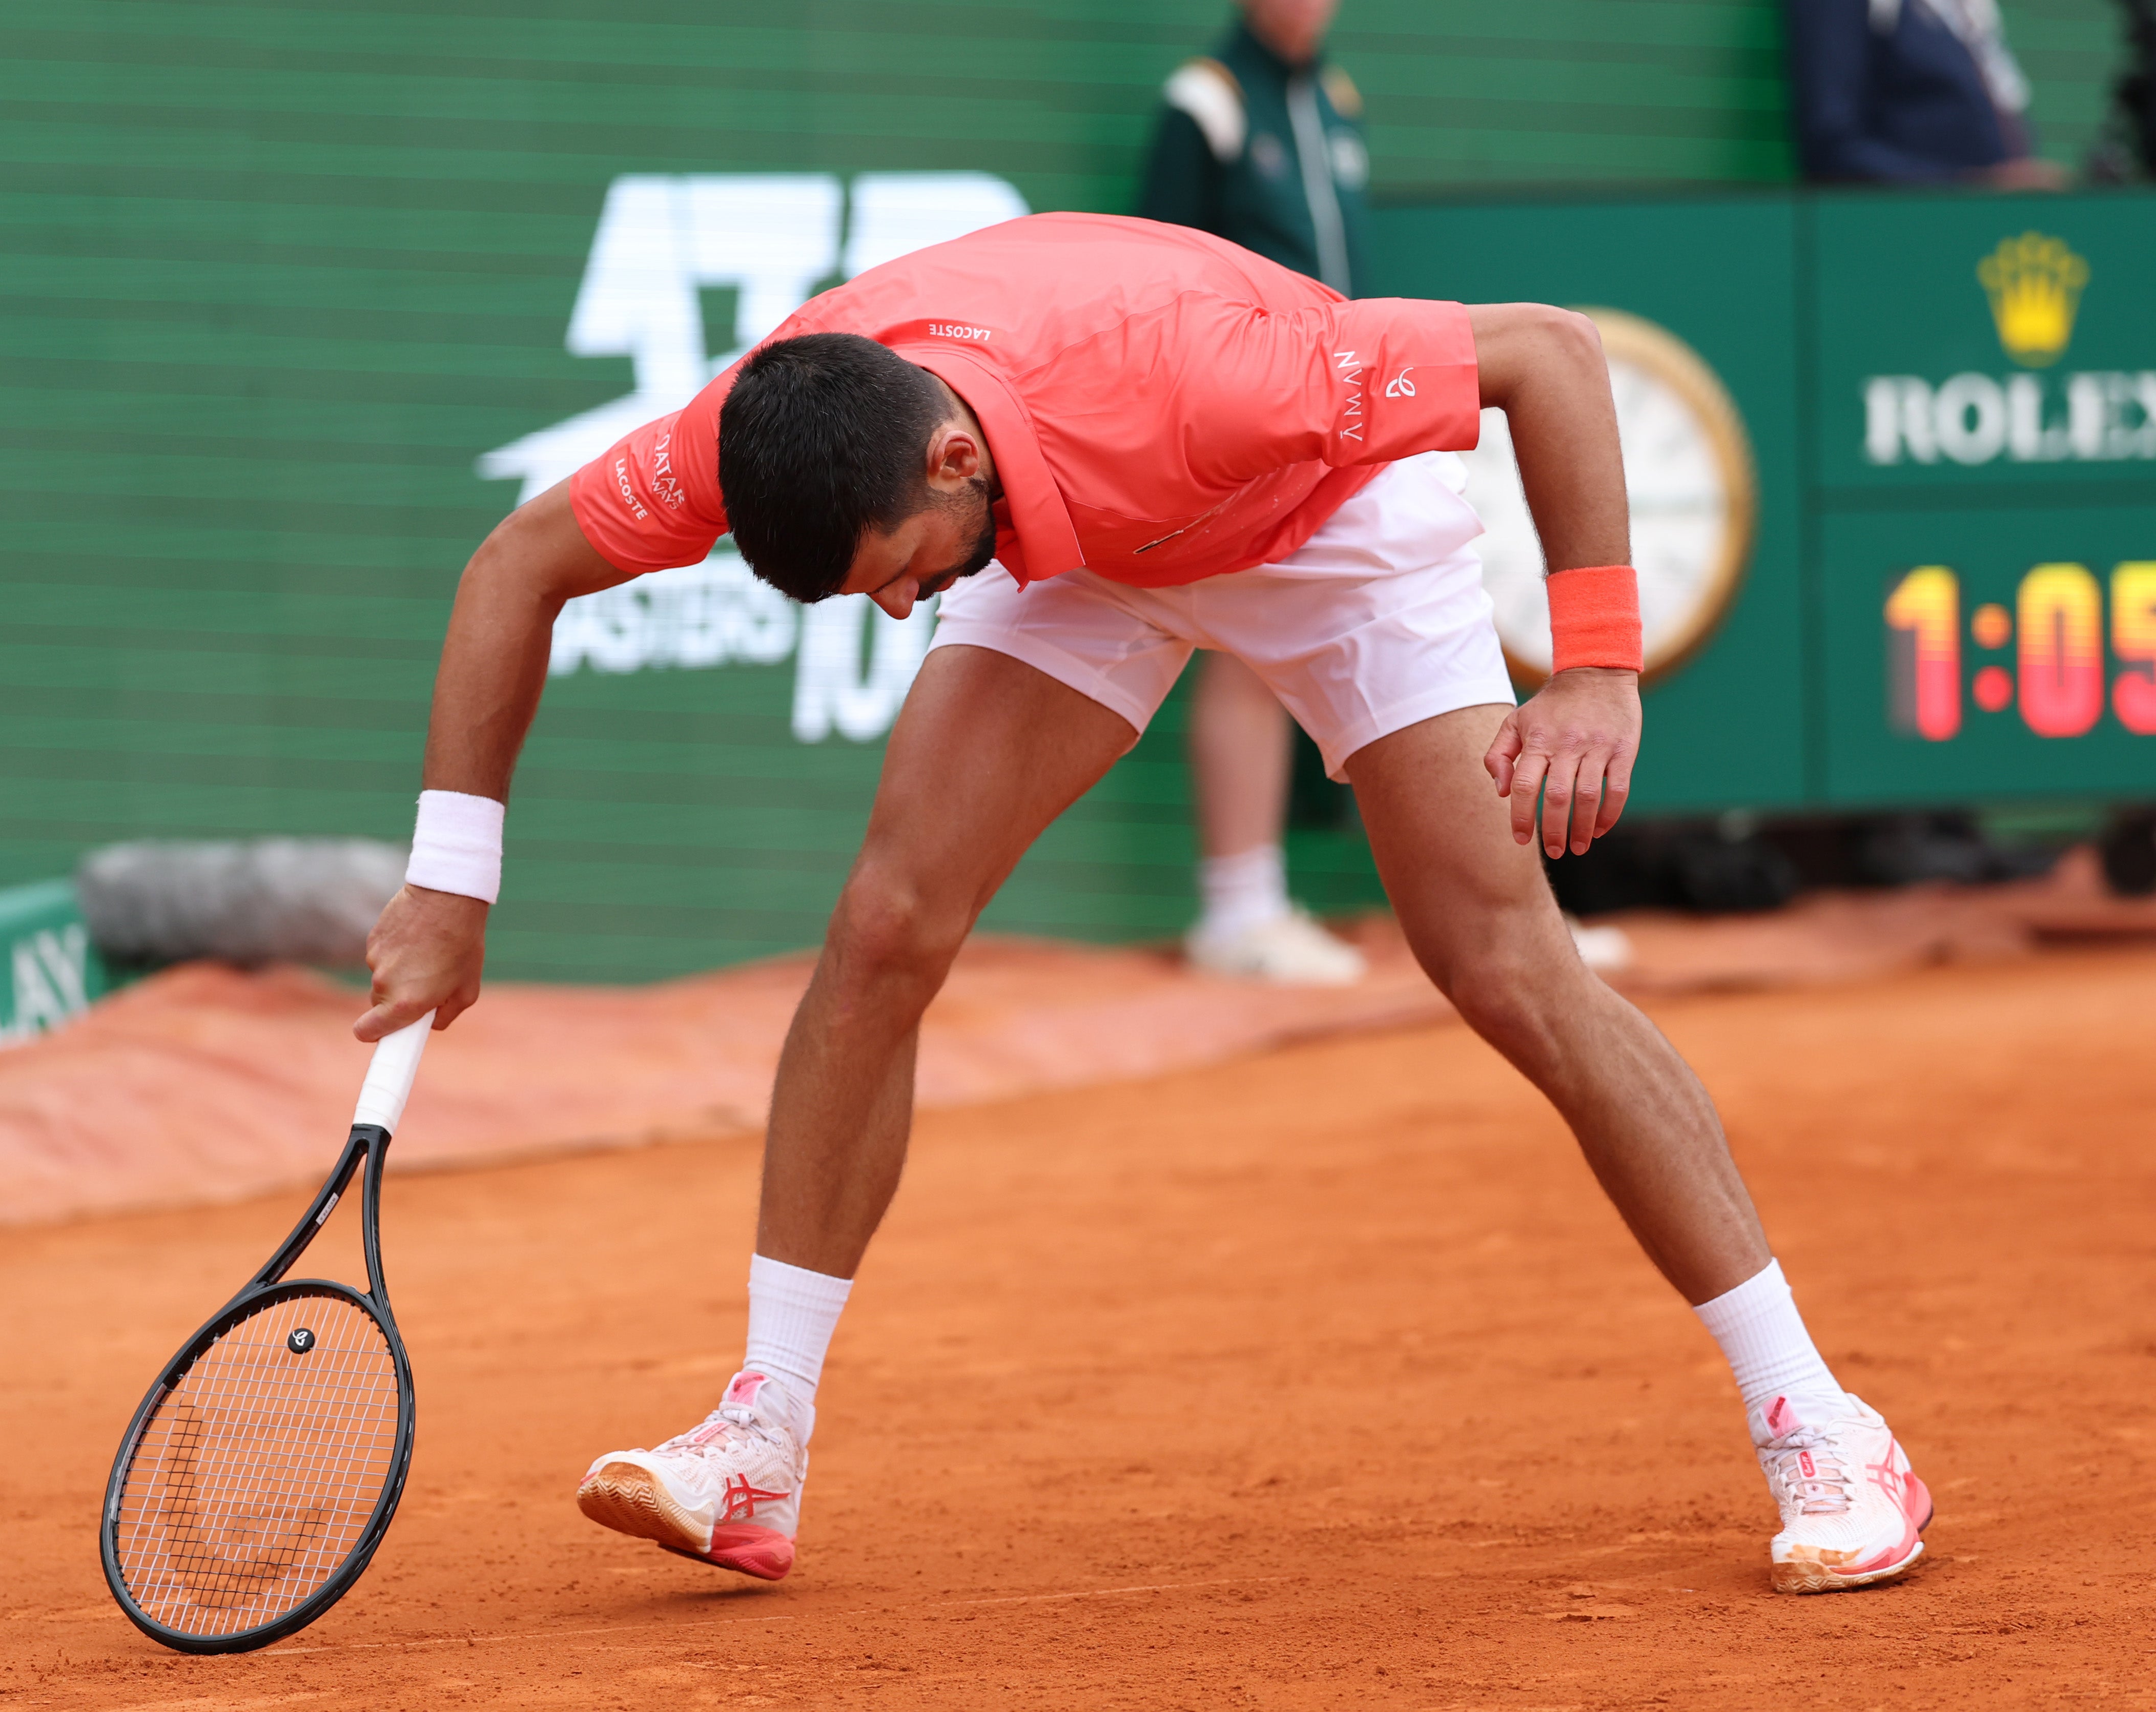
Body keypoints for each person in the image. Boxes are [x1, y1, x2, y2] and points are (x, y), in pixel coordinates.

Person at [362, 214, 1933, 1597]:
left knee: (1504, 967)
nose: (906, 605)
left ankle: (1825, 1425)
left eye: (902, 572)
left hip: (1323, 523)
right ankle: (759, 1439)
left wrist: (1592, 667)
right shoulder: (782, 418)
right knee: (887, 924)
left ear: (949, 461)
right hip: (1081, 550)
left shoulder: (1219, 369)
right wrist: (449, 887)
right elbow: (517, 567)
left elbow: (1549, 354)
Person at [1140, 0, 1373, 983]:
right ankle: (1236, 909)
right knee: (1240, 650)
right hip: (1235, 416)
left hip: (1341, 406)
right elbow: (1154, 275)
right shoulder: (1206, 103)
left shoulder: (1336, 100)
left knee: (1348, 627)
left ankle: (1497, 907)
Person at [1786, 0, 2068, 186]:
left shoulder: (1968, 12)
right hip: (1909, 240)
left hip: (1989, 239)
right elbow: (1832, 145)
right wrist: (1972, 185)